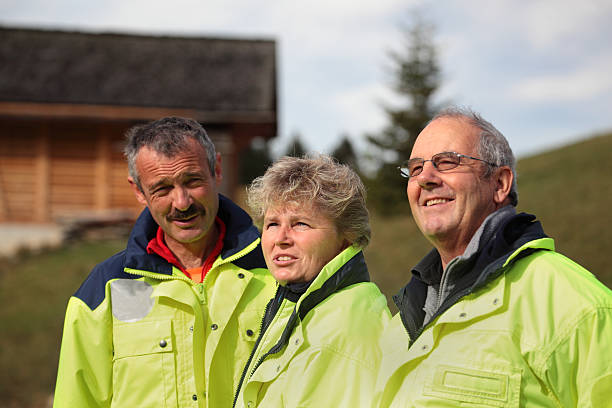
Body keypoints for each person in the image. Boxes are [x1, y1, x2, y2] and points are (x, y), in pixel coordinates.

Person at [375, 107, 612, 407]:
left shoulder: (578, 307)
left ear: (500, 183)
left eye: (447, 162)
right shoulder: (402, 323)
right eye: (416, 168)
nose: (425, 179)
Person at [53, 117, 276, 408]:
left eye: (192, 181)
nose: (182, 202)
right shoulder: (103, 291)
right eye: (162, 189)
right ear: (138, 190)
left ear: (217, 170)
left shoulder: (278, 272)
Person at [233, 154, 390, 408]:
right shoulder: (299, 304)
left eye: (301, 224)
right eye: (272, 224)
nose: (281, 238)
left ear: (347, 236)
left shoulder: (347, 324)